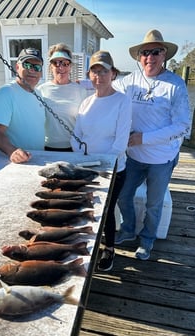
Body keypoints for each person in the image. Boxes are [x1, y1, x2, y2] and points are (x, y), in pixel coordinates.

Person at [113, 29, 191, 260]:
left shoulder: (176, 85)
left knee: (154, 204)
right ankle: (127, 230)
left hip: (161, 159)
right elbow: (107, 88)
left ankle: (147, 240)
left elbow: (182, 126)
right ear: (139, 57)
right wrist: (83, 83)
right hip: (134, 157)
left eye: (155, 52)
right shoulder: (129, 81)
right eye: (145, 52)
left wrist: (142, 138)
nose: (150, 57)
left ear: (164, 54)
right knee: (123, 196)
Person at [71, 50, 132, 271]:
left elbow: (121, 140)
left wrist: (103, 166)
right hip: (87, 168)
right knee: (87, 209)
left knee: (107, 211)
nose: (99, 76)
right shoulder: (86, 102)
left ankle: (109, 248)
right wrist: (82, 158)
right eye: (95, 71)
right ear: (90, 75)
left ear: (113, 74)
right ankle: (87, 245)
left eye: (104, 71)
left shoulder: (123, 101)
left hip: (113, 170)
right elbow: (76, 135)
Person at [0, 48, 45, 163]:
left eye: (37, 67)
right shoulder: (5, 93)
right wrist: (12, 151)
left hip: (40, 159)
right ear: (17, 67)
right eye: (27, 65)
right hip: (17, 163)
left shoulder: (39, 93)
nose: (32, 71)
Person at [37, 43, 87, 151]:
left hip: (74, 147)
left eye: (65, 63)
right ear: (51, 67)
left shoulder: (81, 90)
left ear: (70, 66)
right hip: (47, 147)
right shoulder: (41, 90)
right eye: (56, 63)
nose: (61, 67)